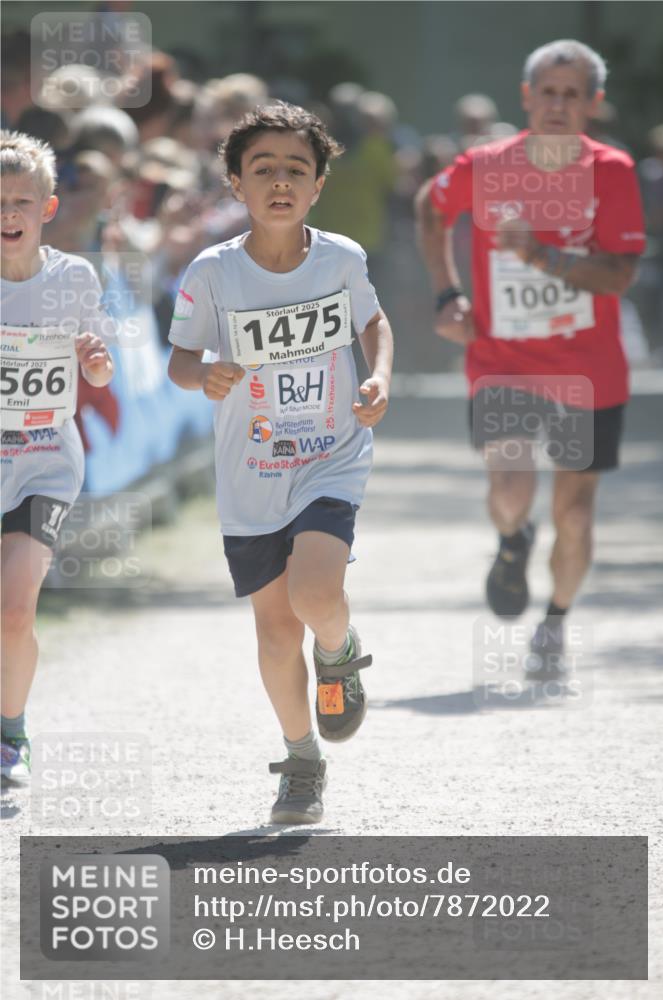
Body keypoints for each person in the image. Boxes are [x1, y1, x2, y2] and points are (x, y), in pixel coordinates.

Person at [168, 102, 393, 824]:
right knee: (272, 630)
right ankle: (301, 759)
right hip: (250, 471)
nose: (280, 182)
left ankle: (341, 648)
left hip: (329, 454)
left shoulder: (341, 258)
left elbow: (373, 323)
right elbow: (178, 359)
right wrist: (202, 376)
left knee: (315, 597)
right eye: (262, 168)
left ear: (319, 183)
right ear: (235, 183)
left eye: (297, 168)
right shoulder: (212, 272)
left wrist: (378, 375)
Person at [415, 40, 646, 677]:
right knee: (512, 492)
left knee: (573, 513)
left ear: (592, 104)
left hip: (588, 370)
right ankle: (513, 542)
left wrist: (543, 256)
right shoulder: (483, 165)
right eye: (548, 91)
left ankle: (556, 623)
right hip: (503, 361)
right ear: (526, 97)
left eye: (573, 94)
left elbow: (617, 276)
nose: (558, 104)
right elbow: (428, 212)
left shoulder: (613, 170)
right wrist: (448, 292)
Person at [1, 131, 114, 781]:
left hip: (44, 461)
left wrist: (96, 361)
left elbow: (99, 373)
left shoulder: (73, 277)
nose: (7, 214)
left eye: (20, 201)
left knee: (15, 609)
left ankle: (11, 734)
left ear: (46, 209)